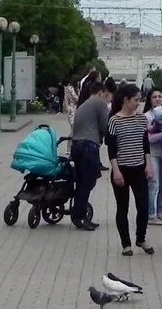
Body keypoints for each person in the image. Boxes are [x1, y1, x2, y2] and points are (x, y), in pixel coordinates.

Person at [108, 82, 154, 256]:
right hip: (122, 170)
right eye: (135, 100)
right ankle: (126, 244)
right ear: (126, 100)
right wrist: (116, 171)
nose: (138, 103)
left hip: (139, 169)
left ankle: (140, 238)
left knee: (143, 207)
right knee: (123, 207)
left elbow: (145, 145)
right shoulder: (114, 120)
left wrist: (148, 165)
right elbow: (111, 149)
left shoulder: (142, 119)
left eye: (140, 100)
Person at [70, 76, 116, 230]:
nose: (107, 98)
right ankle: (79, 216)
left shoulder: (84, 104)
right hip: (88, 146)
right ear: (101, 93)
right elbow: (105, 126)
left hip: (77, 145)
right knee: (87, 183)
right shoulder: (100, 104)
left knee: (82, 182)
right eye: (106, 95)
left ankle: (79, 213)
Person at [144, 89, 162, 224]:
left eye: (160, 96)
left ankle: (161, 212)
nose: (157, 99)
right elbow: (147, 138)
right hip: (153, 154)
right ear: (150, 99)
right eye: (154, 97)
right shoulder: (147, 116)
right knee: (153, 185)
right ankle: (151, 214)